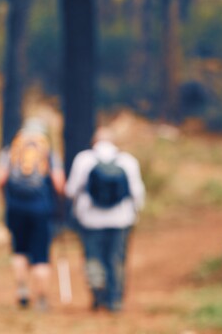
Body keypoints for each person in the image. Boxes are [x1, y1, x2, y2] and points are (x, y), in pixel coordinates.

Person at [64, 127, 145, 312]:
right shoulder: (128, 161)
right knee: (116, 258)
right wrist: (135, 213)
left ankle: (97, 296)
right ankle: (115, 300)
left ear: (95, 141)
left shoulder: (84, 159)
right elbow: (137, 192)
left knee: (93, 256)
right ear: (114, 141)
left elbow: (71, 190)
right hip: (121, 219)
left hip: (90, 219)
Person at [0, 118, 65, 311]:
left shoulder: (12, 150)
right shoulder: (48, 151)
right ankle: (41, 300)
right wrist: (58, 205)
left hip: (16, 208)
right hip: (41, 209)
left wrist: (6, 201)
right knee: (40, 255)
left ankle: (22, 291)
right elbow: (59, 183)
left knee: (19, 250)